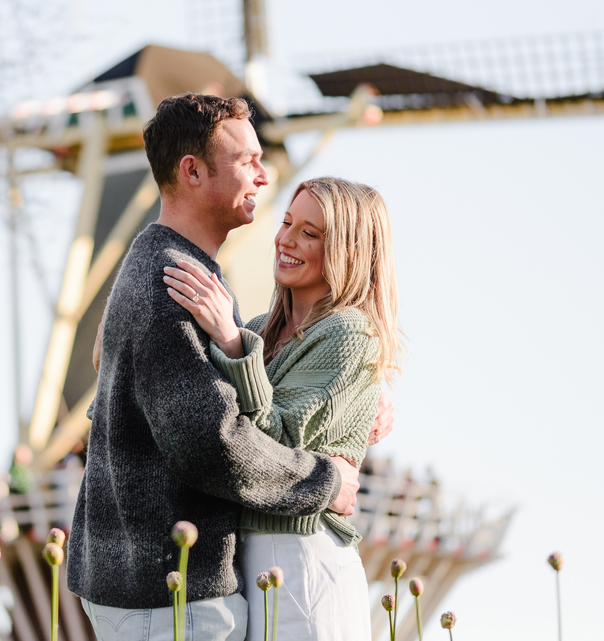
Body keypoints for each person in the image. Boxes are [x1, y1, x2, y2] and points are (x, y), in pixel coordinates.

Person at [66, 93, 390, 641]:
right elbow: (212, 445)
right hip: (171, 589)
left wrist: (365, 387)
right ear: (191, 171)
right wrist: (325, 480)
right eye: (248, 161)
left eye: (309, 231)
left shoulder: (183, 278)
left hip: (196, 577)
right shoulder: (177, 286)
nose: (263, 177)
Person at [162, 176, 401, 641]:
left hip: (302, 556)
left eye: (310, 233)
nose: (285, 239)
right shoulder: (259, 333)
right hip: (247, 557)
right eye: (287, 222)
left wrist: (231, 346)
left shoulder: (350, 332)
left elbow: (280, 444)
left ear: (349, 250)